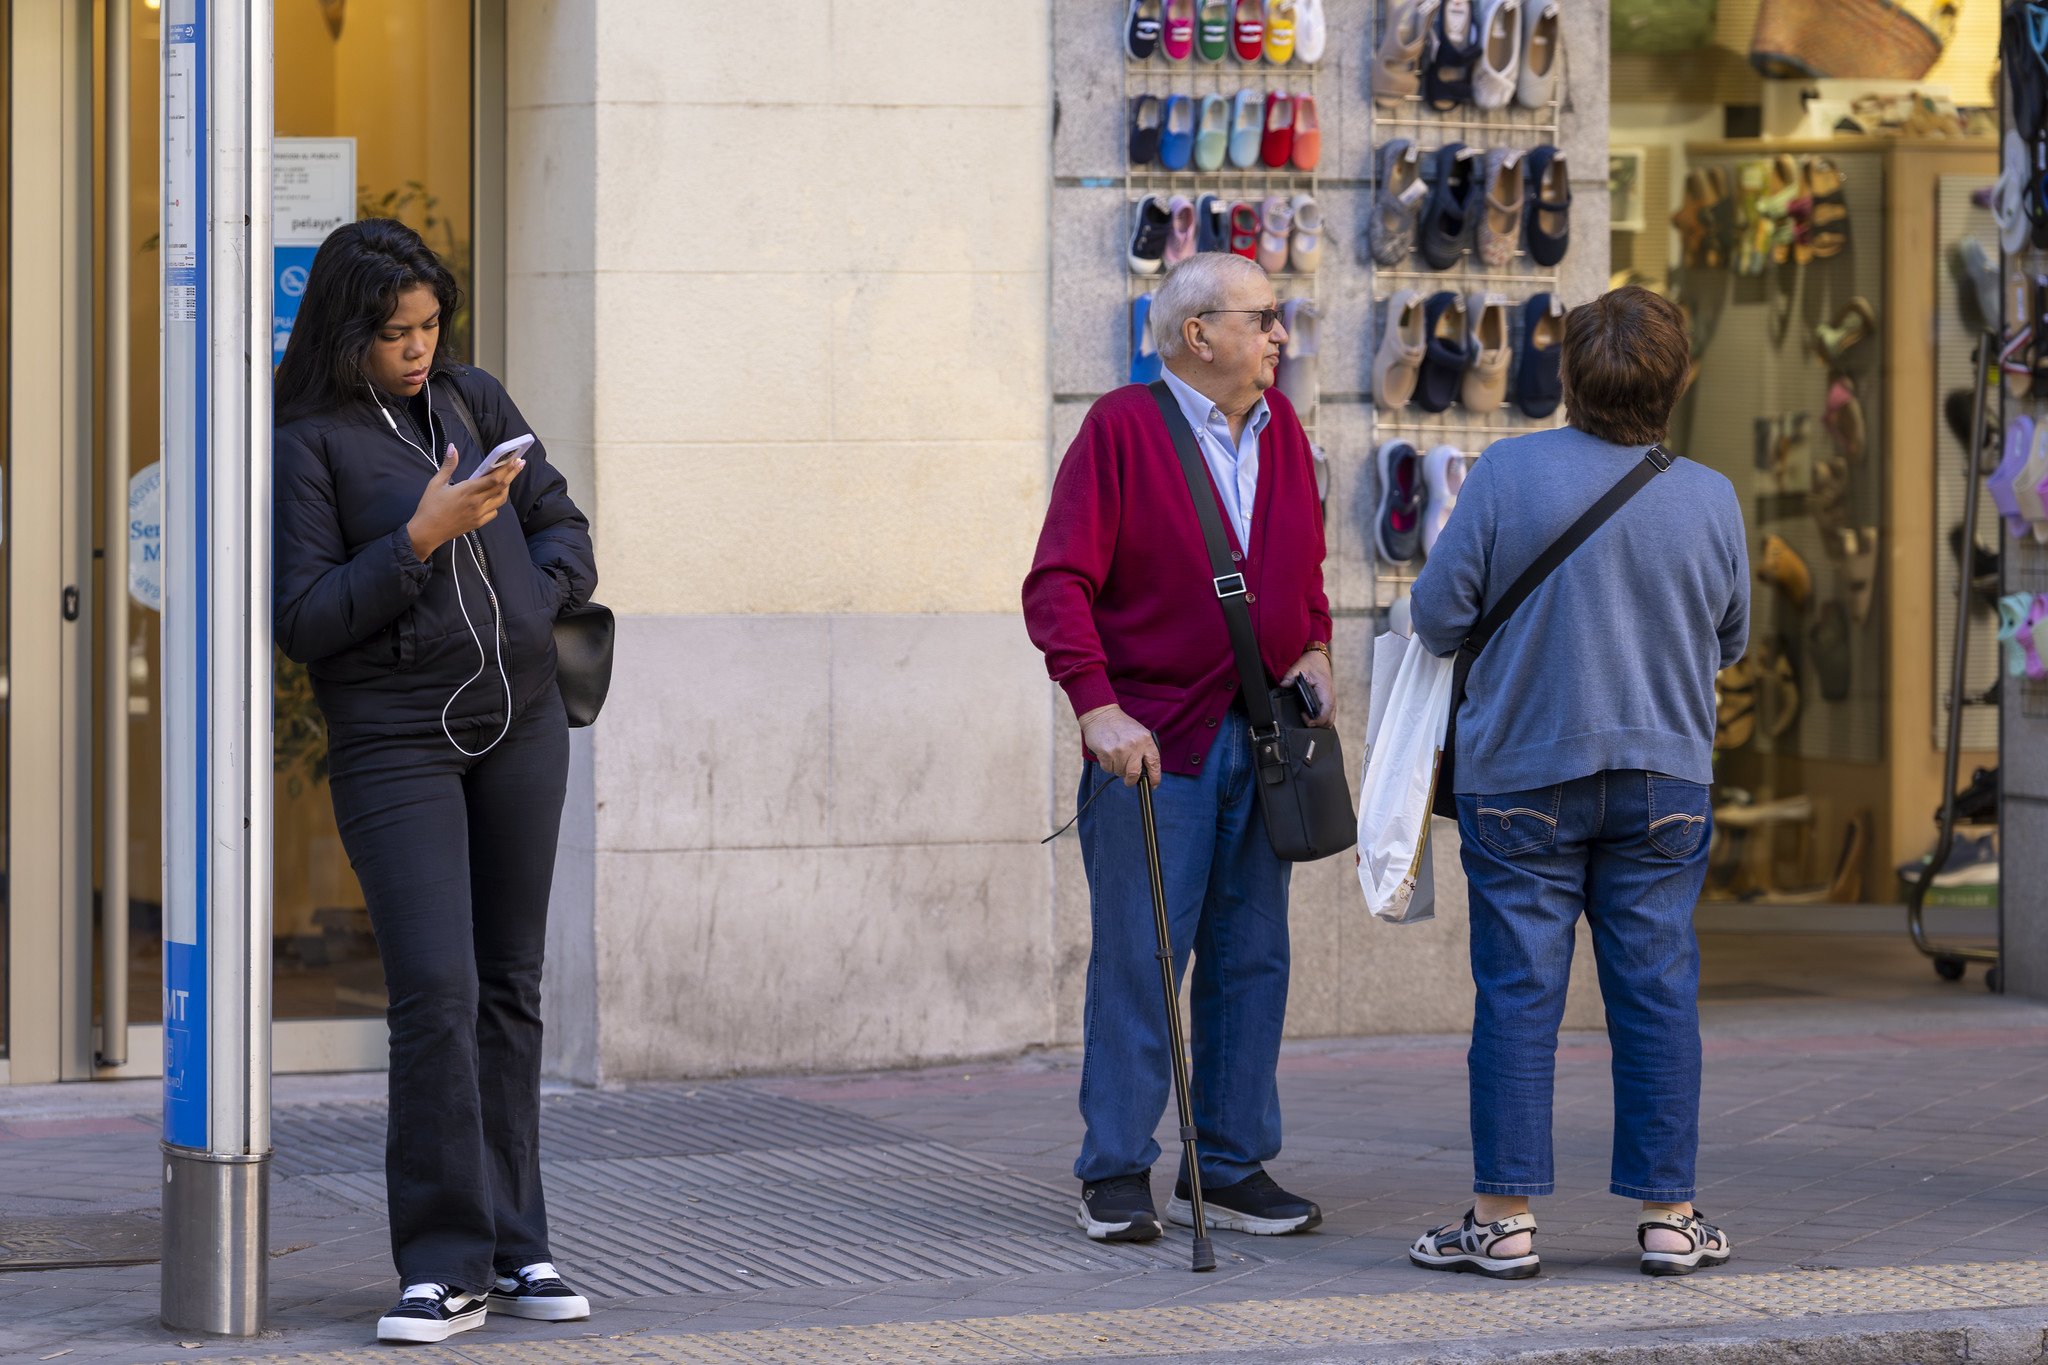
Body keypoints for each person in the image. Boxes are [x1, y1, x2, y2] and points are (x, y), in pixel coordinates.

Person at [273, 219, 598, 1343]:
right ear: (348, 330)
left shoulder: (473, 398)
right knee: (436, 994)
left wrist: (531, 594)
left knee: (510, 986)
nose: (418, 348)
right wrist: (417, 538)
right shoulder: (304, 440)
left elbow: (563, 521)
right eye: (395, 332)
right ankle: (444, 1261)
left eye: (428, 326)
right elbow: (304, 618)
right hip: (395, 742)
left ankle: (521, 1246)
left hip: (521, 727)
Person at [1406, 286, 1749, 1279]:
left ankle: (1502, 1221)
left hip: (1518, 773)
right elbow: (1729, 639)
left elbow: (1435, 619)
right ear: (1678, 381)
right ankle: (1669, 1220)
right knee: (1654, 995)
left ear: (1566, 378)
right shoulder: (1711, 497)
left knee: (1516, 997)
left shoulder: (1506, 475)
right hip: (1664, 778)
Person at [1023, 252, 1333, 1243]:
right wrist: (1095, 707)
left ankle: (1232, 1166)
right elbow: (1055, 583)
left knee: (1253, 959)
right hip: (1153, 746)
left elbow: (1303, 562)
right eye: (1264, 318)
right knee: (1140, 958)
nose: (1280, 336)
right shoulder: (1120, 427)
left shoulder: (1280, 427)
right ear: (1198, 334)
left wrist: (1316, 642)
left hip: (1266, 733)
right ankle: (1114, 1172)